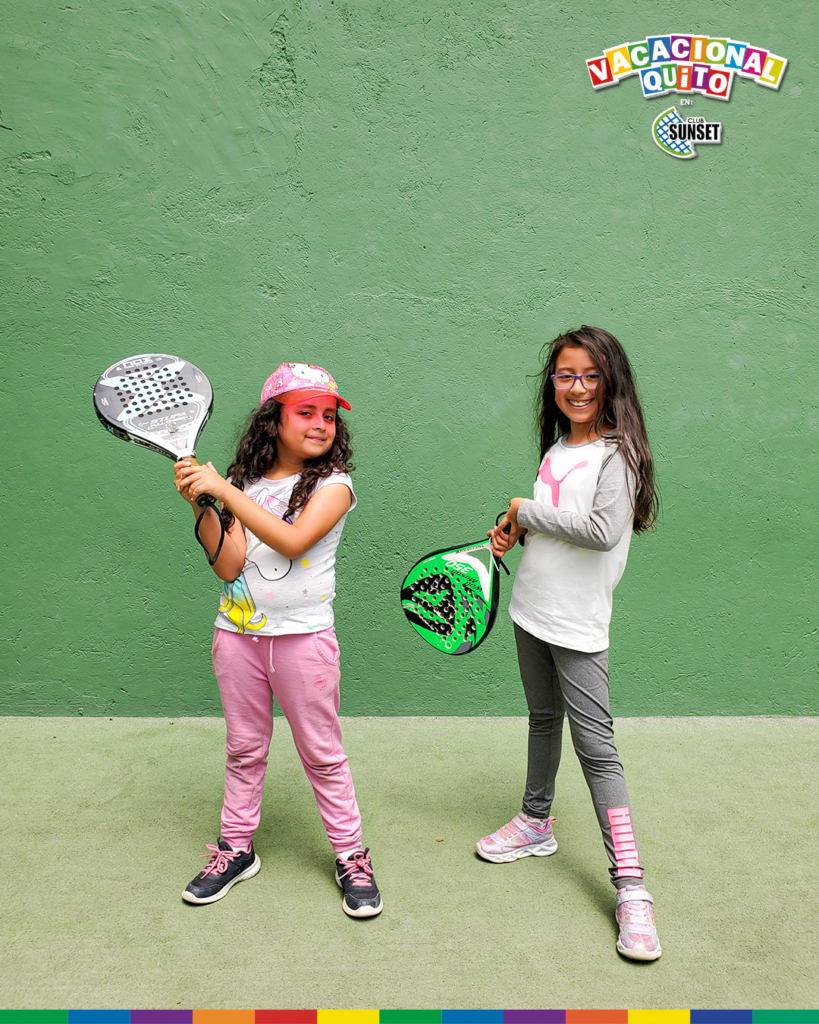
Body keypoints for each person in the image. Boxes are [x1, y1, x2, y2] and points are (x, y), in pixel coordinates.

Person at [173, 362, 382, 918]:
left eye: (329, 416)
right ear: (274, 419)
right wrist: (202, 503)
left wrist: (222, 489)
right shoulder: (245, 485)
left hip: (303, 642)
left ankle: (351, 855)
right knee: (244, 749)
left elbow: (292, 542)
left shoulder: (336, 487)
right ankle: (235, 848)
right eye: (306, 412)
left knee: (323, 754)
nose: (320, 424)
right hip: (236, 638)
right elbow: (229, 565)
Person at [480, 327, 661, 960]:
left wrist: (524, 510)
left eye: (589, 375)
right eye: (565, 375)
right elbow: (557, 526)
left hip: (578, 625)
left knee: (598, 751)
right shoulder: (558, 450)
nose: (577, 387)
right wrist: (515, 531)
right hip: (530, 610)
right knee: (541, 718)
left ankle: (631, 888)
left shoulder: (620, 456)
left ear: (612, 382)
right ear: (552, 384)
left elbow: (603, 530)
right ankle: (536, 821)